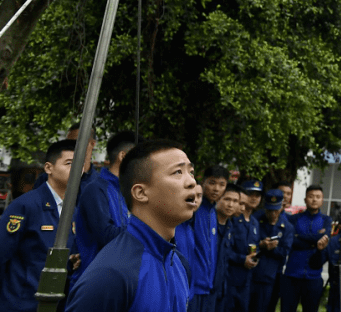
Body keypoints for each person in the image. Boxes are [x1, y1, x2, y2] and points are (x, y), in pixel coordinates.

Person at [67, 139, 198, 311]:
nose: (191, 182)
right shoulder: (111, 274)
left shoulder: (180, 264)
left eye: (191, 172)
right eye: (177, 172)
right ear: (141, 193)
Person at [0, 139, 76, 312]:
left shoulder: (74, 210)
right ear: (49, 168)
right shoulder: (26, 205)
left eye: (80, 164)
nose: (76, 169)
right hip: (21, 302)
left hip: (56, 303)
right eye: (69, 163)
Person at [72, 130, 136, 280]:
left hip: (120, 277)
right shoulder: (96, 189)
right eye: (139, 158)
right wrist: (150, 227)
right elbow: (106, 235)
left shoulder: (128, 191)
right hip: (95, 281)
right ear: (123, 156)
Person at [281, 184, 332, 312]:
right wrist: (315, 241)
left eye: (317, 197)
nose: (314, 199)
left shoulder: (326, 220)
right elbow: (292, 241)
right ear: (305, 200)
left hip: (313, 277)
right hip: (292, 274)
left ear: (322, 200)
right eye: (311, 196)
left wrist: (300, 236)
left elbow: (324, 237)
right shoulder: (294, 219)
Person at [190, 165, 230, 312]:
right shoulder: (193, 209)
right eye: (212, 183)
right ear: (203, 182)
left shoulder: (213, 212)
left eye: (222, 185)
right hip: (192, 287)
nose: (216, 189)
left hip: (209, 287)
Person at [250, 189, 293, 312]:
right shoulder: (257, 220)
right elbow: (249, 243)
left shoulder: (287, 227)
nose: (272, 214)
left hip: (272, 275)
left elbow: (285, 251)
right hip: (252, 272)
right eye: (269, 210)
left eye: (275, 210)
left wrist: (271, 248)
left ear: (281, 208)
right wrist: (261, 245)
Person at [223, 179, 262, 312]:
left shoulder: (255, 223)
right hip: (230, 277)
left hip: (246, 279)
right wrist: (241, 259)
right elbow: (225, 249)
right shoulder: (232, 219)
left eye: (257, 195)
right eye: (250, 193)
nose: (254, 198)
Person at [212, 184, 243, 312]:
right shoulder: (207, 223)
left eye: (235, 201)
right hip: (203, 289)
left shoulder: (230, 227)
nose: (231, 205)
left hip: (222, 289)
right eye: (227, 199)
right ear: (218, 198)